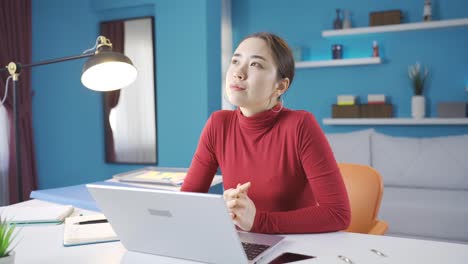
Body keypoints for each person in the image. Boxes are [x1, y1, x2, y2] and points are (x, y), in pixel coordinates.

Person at [181, 32, 350, 234]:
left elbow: (338, 214)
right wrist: (221, 210)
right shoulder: (218, 124)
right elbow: (187, 202)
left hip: (294, 249)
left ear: (280, 86)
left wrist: (259, 221)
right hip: (241, 246)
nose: (239, 73)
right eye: (235, 61)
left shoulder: (300, 125)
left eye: (256, 65)